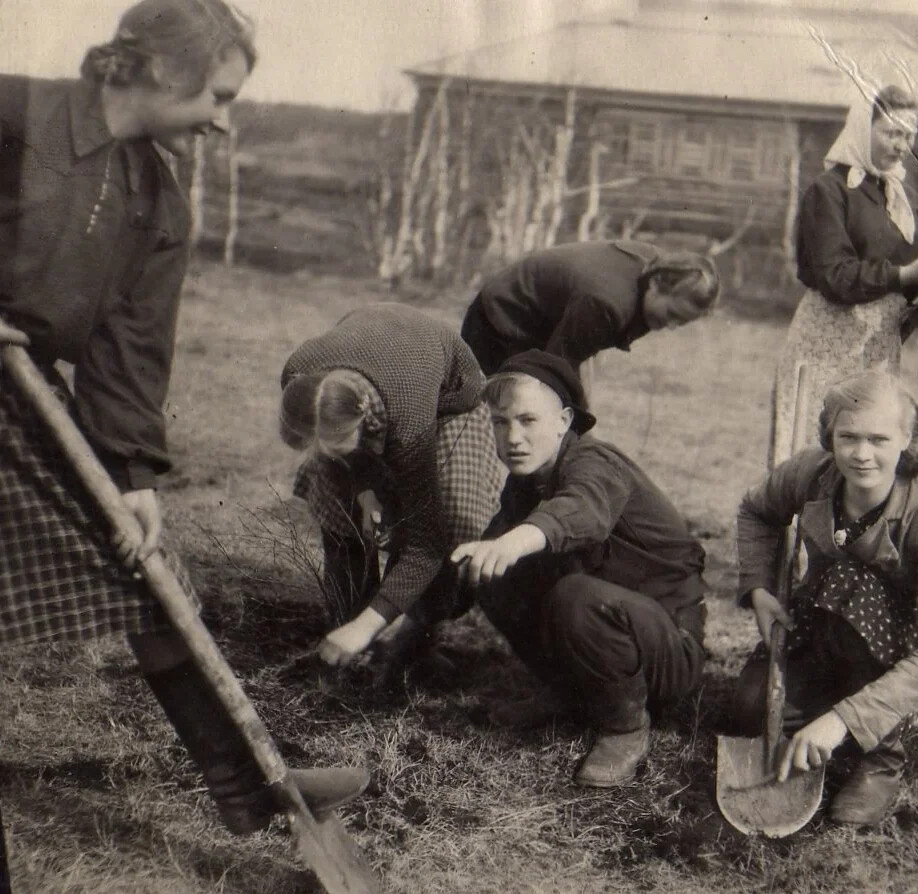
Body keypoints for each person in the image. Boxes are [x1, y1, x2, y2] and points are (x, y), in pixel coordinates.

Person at [0, 0, 366, 837]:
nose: (224, 125)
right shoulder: (12, 111)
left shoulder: (156, 201)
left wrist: (131, 476)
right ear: (162, 72)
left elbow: (131, 350)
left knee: (144, 562)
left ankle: (244, 783)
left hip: (18, 399)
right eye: (220, 98)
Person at [451, 350, 706, 788]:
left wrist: (516, 540)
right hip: (611, 629)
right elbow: (483, 561)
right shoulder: (525, 482)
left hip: (666, 649)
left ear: (564, 421)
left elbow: (583, 509)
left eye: (528, 420)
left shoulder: (595, 462)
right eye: (501, 422)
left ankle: (625, 726)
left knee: (571, 593)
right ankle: (571, 694)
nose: (513, 437)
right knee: (488, 567)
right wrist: (403, 618)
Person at [732, 371, 918, 826]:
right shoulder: (812, 473)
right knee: (747, 710)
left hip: (894, 645)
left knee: (852, 581)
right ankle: (827, 708)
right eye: (848, 437)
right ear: (831, 436)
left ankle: (880, 756)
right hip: (820, 620)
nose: (862, 455)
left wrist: (844, 719)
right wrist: (761, 590)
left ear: (907, 438)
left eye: (879, 439)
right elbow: (756, 510)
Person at [279, 302, 505, 670]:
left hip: (448, 401)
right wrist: (365, 494)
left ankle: (410, 643)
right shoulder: (300, 377)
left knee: (451, 525)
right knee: (337, 508)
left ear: (363, 419)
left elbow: (426, 547)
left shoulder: (410, 419)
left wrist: (370, 624)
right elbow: (336, 455)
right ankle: (349, 640)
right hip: (377, 372)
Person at [770, 84, 918, 466]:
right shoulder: (829, 191)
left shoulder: (901, 195)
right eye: (892, 133)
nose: (901, 145)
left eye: (908, 136)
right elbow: (835, 275)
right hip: (829, 341)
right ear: (861, 128)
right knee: (816, 448)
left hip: (877, 346)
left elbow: (906, 272)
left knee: (866, 453)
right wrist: (905, 275)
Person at [460, 240, 720, 374]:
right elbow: (556, 368)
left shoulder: (658, 264)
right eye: (672, 314)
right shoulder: (608, 303)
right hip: (501, 320)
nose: (671, 327)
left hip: (546, 323)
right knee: (508, 415)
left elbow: (577, 354)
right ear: (657, 283)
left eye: (682, 323)